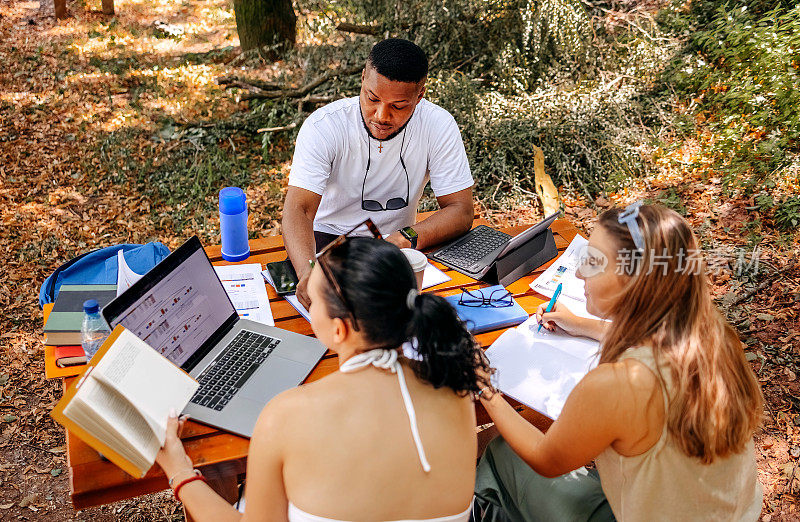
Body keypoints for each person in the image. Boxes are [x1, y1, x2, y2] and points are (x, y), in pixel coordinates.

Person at [155, 222, 492, 521]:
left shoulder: (284, 416)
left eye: (311, 301)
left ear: (339, 331)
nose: (308, 305)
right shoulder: (457, 388)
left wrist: (180, 471)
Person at [474, 203, 764, 521]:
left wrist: (485, 385)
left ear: (635, 283)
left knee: (502, 453)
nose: (581, 271)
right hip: (727, 512)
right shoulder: (711, 333)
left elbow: (546, 459)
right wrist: (584, 326)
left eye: (594, 261)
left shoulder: (619, 384)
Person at [282, 38, 475, 307]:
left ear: (420, 96)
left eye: (398, 106)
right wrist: (307, 271)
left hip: (398, 247)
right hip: (328, 241)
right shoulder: (325, 126)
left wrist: (404, 238)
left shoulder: (438, 125)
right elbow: (298, 209)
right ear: (362, 78)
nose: (381, 116)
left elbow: (461, 210)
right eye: (372, 98)